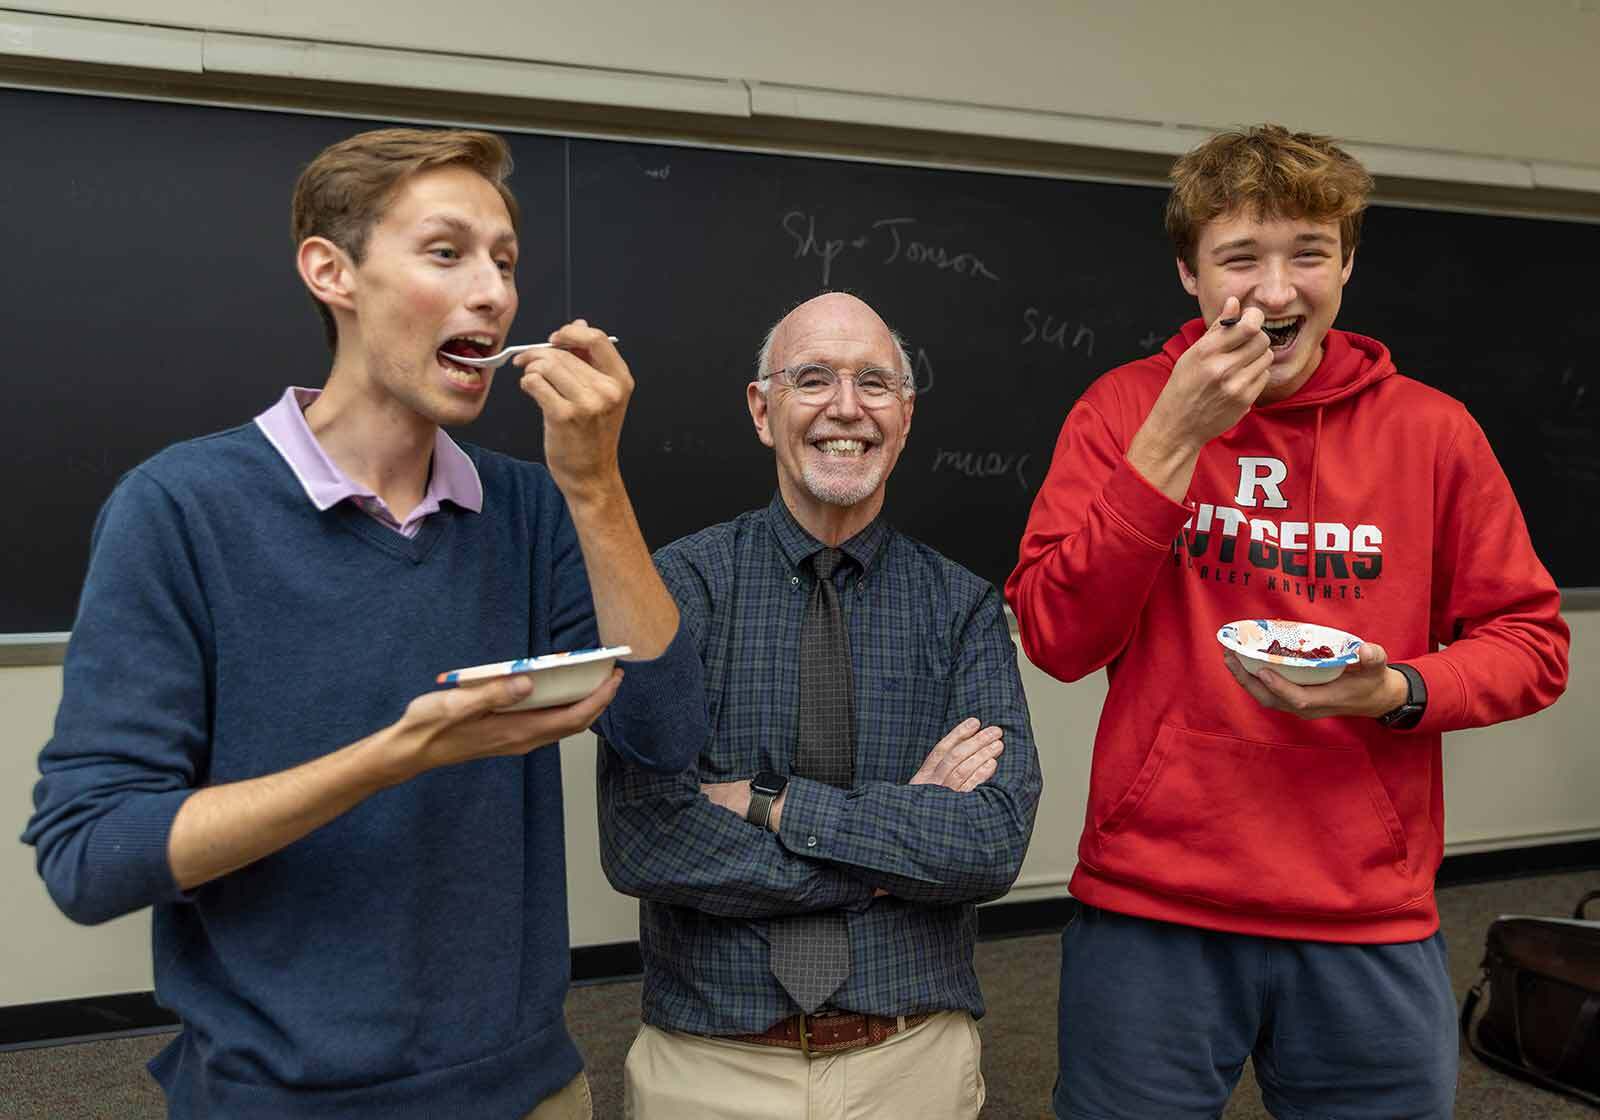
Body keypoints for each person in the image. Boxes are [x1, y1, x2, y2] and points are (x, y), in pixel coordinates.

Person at [22, 127, 705, 1120]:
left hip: (530, 1093)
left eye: (505, 264)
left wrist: (595, 486)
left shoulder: (529, 508)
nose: (494, 293)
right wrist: (391, 756)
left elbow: (665, 729)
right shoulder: (178, 509)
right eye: (446, 253)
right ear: (331, 271)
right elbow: (94, 855)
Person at [1007, 123, 1571, 1119]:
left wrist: (1395, 689)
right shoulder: (1119, 410)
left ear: (1346, 265)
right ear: (1187, 272)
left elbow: (1530, 646)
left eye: (1307, 253)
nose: (1275, 292)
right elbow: (1056, 638)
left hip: (1364, 912)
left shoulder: (1431, 433)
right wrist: (1172, 440)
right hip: (1152, 907)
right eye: (1239, 258)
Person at [597, 292, 1042, 1118]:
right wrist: (895, 847)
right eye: (813, 379)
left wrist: (772, 804)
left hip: (913, 1059)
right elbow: (646, 840)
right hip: (711, 1064)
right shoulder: (674, 590)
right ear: (763, 411)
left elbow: (990, 842)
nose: (847, 407)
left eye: (874, 382)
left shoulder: (965, 607)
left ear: (905, 417)